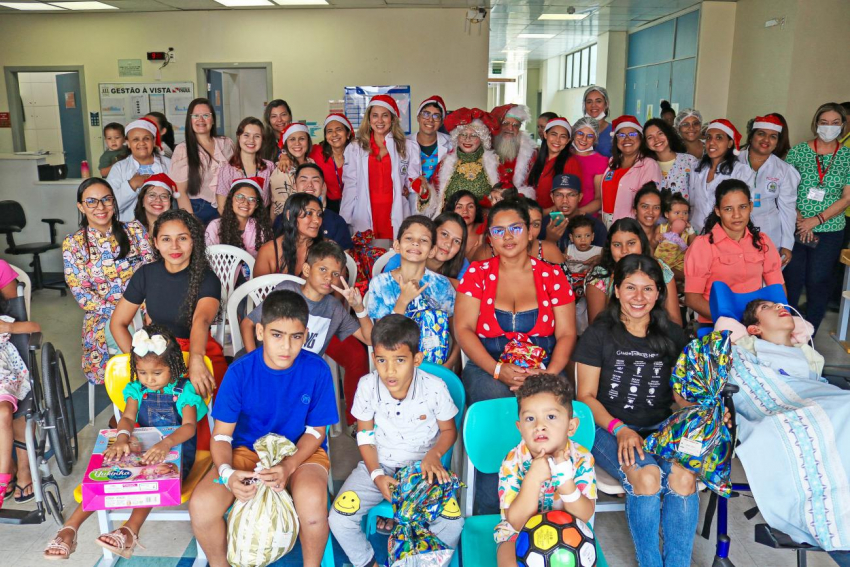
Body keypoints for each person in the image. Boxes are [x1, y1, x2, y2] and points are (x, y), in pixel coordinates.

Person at [189, 290, 338, 567]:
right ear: (260, 331)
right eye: (277, 335)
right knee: (202, 506)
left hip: (302, 451)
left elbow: (317, 432)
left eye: (295, 337)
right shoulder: (240, 372)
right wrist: (227, 473)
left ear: (305, 335)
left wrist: (289, 465)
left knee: (313, 508)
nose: (286, 346)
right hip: (247, 451)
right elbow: (221, 435)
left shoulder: (317, 370)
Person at [455, 199, 578, 514]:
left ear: (530, 233)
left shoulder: (552, 276)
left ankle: (544, 506)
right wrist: (498, 370)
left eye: (516, 228)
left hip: (545, 368)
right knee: (498, 407)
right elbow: (464, 330)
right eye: (498, 230)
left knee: (546, 410)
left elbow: (566, 334)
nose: (507, 236)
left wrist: (548, 373)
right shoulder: (477, 275)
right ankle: (489, 510)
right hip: (489, 365)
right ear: (490, 238)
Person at [43, 325, 205, 559]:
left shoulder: (184, 390)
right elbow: (128, 417)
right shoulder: (136, 390)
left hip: (176, 451)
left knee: (150, 475)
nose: (149, 380)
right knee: (107, 470)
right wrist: (121, 438)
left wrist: (166, 444)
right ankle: (70, 528)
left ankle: (129, 530)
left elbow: (189, 427)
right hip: (145, 447)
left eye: (157, 373)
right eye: (142, 373)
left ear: (174, 367)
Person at [575, 254, 692, 567]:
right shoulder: (597, 335)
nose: (639, 297)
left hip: (660, 427)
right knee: (647, 475)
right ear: (616, 290)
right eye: (630, 288)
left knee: (683, 476)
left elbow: (680, 397)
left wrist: (699, 412)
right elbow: (584, 396)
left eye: (648, 289)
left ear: (658, 293)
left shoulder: (674, 336)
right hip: (607, 429)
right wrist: (620, 429)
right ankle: (650, 563)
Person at [329, 315, 462, 567]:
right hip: (379, 465)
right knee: (339, 517)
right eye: (381, 360)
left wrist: (434, 455)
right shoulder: (368, 386)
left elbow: (448, 431)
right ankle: (369, 563)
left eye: (400, 360)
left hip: (423, 471)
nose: (389, 371)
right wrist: (377, 475)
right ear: (374, 359)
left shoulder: (435, 387)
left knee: (452, 522)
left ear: (417, 359)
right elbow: (366, 436)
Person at [110, 209, 224, 452]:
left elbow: (200, 322)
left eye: (182, 238)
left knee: (206, 404)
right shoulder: (146, 274)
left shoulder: (207, 278)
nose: (175, 246)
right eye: (166, 239)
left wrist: (195, 360)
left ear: (194, 241)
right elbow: (118, 323)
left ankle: (201, 456)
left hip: (198, 349)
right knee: (134, 405)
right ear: (155, 243)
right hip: (157, 354)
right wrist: (140, 358)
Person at [241, 241, 372, 424]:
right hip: (269, 368)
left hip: (302, 379)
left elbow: (369, 339)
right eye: (323, 270)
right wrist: (255, 360)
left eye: (335, 274)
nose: (329, 278)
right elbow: (248, 323)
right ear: (307, 270)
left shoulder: (334, 309)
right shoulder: (288, 290)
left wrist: (359, 308)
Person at [495, 374, 596, 566]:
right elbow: (516, 521)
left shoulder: (582, 459)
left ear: (571, 426)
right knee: (507, 559)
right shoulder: (512, 462)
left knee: (587, 559)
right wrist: (533, 478)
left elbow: (584, 515)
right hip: (518, 534)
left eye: (551, 417)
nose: (539, 426)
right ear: (520, 428)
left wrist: (566, 484)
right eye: (530, 418)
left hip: (569, 533)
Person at [63, 178, 154, 386]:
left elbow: (153, 273)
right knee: (135, 345)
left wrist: (145, 308)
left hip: (147, 308)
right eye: (91, 202)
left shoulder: (135, 231)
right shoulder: (74, 244)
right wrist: (123, 312)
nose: (100, 207)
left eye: (106, 200)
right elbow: (83, 295)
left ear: (114, 202)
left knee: (171, 335)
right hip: (103, 316)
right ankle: (135, 402)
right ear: (81, 207)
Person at [784, 102, 850, 334]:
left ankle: (809, 332)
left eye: (835, 123)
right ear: (816, 123)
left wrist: (816, 220)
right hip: (795, 224)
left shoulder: (847, 155)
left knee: (818, 280)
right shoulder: (799, 152)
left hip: (829, 228)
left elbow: (846, 197)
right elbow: (786, 190)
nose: (829, 127)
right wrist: (801, 219)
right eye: (824, 122)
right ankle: (786, 329)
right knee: (792, 279)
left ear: (842, 125)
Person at [684, 179, 785, 327]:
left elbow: (777, 289)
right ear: (718, 211)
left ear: (751, 207)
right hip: (716, 323)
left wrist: (775, 318)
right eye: (728, 209)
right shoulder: (703, 245)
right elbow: (692, 298)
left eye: (742, 207)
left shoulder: (762, 242)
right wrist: (731, 322)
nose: (737, 215)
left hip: (757, 324)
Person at [367, 216, 458, 368]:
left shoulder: (441, 285)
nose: (416, 243)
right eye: (409, 238)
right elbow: (383, 338)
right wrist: (403, 300)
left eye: (424, 240)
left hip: (435, 368)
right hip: (393, 369)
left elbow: (457, 336)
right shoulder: (380, 284)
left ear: (432, 251)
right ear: (397, 245)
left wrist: (448, 366)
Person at [340, 95, 420, 242]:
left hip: (396, 210)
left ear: (393, 119)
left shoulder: (407, 146)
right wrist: (345, 219)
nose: (380, 121)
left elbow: (413, 181)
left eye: (385, 116)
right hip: (365, 211)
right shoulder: (356, 148)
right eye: (375, 116)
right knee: (367, 256)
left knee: (395, 255)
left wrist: (412, 187)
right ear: (369, 119)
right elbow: (350, 185)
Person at [585, 218, 681, 326]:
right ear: (609, 247)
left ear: (642, 243)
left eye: (631, 243)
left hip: (656, 337)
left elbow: (675, 322)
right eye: (617, 245)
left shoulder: (660, 269)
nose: (624, 250)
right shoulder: (600, 276)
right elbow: (597, 327)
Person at [738, 114, 799, 267]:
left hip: (768, 231)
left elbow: (787, 209)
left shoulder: (784, 170)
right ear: (751, 137)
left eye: (773, 136)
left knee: (764, 279)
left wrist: (787, 243)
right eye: (761, 134)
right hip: (733, 228)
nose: (766, 140)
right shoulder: (732, 161)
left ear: (777, 142)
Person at [422, 108, 501, 217]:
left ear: (482, 139)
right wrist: (424, 191)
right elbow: (434, 200)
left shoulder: (495, 164)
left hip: (482, 226)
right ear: (457, 137)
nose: (467, 139)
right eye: (463, 134)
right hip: (451, 225)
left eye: (474, 135)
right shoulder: (445, 164)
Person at [0, 295, 39, 509]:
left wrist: (7, 326)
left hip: (3, 379)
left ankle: (2, 479)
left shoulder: (2, 322)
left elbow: (34, 327)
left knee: (3, 413)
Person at [170, 98, 235, 224]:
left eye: (206, 115)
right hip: (198, 209)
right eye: (196, 116)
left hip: (228, 207)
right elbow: (180, 192)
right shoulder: (183, 150)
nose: (201, 119)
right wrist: (191, 222)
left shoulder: (226, 143)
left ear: (213, 120)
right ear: (190, 120)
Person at [689, 119, 751, 233]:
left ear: (730, 143)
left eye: (719, 138)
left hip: (725, 234)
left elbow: (743, 208)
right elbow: (692, 203)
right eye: (708, 137)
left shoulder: (740, 171)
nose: (711, 142)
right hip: (696, 232)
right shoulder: (696, 167)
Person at [600, 115, 662, 226]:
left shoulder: (649, 165)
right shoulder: (612, 162)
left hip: (632, 227)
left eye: (632, 134)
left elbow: (650, 203)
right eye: (621, 135)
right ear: (616, 139)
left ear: (640, 138)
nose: (627, 139)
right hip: (607, 224)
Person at [107, 118, 172, 222]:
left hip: (164, 226)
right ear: (127, 142)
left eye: (146, 139)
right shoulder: (118, 169)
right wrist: (131, 185)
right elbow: (109, 206)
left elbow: (178, 198)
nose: (141, 143)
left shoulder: (169, 165)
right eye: (135, 139)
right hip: (127, 228)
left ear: (154, 141)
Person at [381, 211, 470, 287]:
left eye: (457, 241)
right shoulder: (402, 258)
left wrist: (425, 277)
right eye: (444, 234)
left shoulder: (462, 262)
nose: (448, 244)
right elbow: (384, 288)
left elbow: (467, 290)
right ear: (431, 233)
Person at [475, 194, 564, 265]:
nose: (530, 230)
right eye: (516, 227)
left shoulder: (551, 252)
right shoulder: (484, 256)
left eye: (536, 224)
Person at [283, 163, 354, 252]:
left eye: (315, 180)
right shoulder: (282, 219)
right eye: (303, 180)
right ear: (294, 186)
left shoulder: (337, 221)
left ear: (323, 186)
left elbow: (344, 258)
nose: (309, 185)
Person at [255, 193, 324, 277]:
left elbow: (336, 288)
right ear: (289, 215)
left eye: (319, 214)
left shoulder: (327, 250)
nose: (317, 220)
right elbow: (259, 289)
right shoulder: (268, 251)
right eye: (309, 213)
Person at [214, 117, 274, 213]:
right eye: (246, 135)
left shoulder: (269, 167)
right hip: (236, 223)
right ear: (239, 137)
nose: (251, 140)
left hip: (263, 222)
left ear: (262, 139)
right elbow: (222, 207)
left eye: (257, 136)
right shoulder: (227, 170)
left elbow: (275, 201)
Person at [205, 177, 273, 257]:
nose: (245, 203)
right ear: (231, 200)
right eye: (240, 197)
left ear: (257, 205)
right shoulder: (215, 226)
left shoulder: (261, 228)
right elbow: (210, 259)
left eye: (252, 199)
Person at [541, 173, 608, 253]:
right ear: (552, 197)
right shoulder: (544, 224)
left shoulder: (596, 226)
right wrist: (550, 240)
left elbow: (604, 258)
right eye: (559, 195)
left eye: (571, 195)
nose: (565, 200)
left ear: (580, 197)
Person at [527, 117, 584, 209]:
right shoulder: (536, 158)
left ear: (568, 140)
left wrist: (542, 214)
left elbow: (572, 200)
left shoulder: (571, 163)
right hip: (534, 217)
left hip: (555, 219)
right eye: (554, 134)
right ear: (545, 135)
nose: (557, 140)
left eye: (563, 136)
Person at [643, 117, 699, 198]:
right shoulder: (646, 166)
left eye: (660, 133)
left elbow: (698, 196)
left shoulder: (690, 161)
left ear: (668, 134)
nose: (656, 139)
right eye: (650, 137)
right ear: (646, 143)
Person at [270, 122, 315, 219]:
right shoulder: (282, 170)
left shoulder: (312, 163)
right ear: (286, 143)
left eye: (302, 139)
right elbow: (281, 208)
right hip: (290, 224)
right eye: (292, 139)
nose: (297, 143)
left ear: (308, 141)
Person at [310, 113, 354, 214]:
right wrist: (284, 155)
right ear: (326, 136)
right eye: (329, 131)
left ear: (348, 134)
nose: (334, 134)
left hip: (354, 205)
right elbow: (297, 148)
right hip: (327, 206)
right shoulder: (317, 152)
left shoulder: (357, 153)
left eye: (339, 129)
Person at [491, 103, 537, 194]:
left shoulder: (530, 154)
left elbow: (532, 184)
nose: (510, 128)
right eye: (505, 123)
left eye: (515, 125)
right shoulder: (485, 148)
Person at [408, 96, 453, 183]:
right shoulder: (404, 143)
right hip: (413, 195)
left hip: (441, 195)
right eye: (426, 114)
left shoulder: (451, 143)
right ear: (418, 117)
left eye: (436, 116)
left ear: (441, 122)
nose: (430, 119)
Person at [569, 116, 607, 215]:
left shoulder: (600, 161)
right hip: (561, 216)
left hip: (586, 218)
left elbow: (599, 200)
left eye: (590, 136)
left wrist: (576, 214)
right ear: (574, 134)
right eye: (580, 133)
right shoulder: (565, 156)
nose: (584, 139)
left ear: (595, 139)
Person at [445, 190, 485, 260]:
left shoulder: (486, 230)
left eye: (470, 206)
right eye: (459, 207)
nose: (465, 211)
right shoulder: (445, 233)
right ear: (452, 211)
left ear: (476, 210)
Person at [581, 86, 612, 157]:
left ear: (606, 104)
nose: (593, 105)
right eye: (589, 102)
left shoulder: (614, 131)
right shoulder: (576, 131)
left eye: (598, 101)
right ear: (585, 105)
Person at [633, 182, 664, 250]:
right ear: (635, 210)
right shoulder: (627, 234)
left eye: (656, 207)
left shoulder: (666, 234)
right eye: (645, 206)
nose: (650, 212)